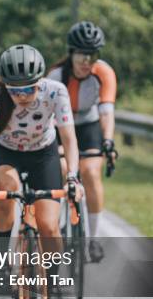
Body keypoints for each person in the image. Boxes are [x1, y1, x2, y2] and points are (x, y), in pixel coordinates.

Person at [0, 44, 84, 299]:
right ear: (5, 84)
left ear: (40, 81)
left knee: (49, 224)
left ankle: (54, 285)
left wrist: (72, 176)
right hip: (7, 152)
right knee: (7, 193)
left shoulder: (55, 91)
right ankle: (2, 264)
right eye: (15, 90)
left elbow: (69, 139)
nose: (22, 96)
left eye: (28, 89)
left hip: (43, 154)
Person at [47, 21, 117, 262]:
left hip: (88, 125)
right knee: (62, 169)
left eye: (92, 55)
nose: (86, 61)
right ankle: (53, 227)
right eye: (81, 55)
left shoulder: (104, 72)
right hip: (59, 126)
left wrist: (108, 141)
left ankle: (92, 240)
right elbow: (46, 116)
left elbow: (107, 111)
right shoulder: (56, 75)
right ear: (71, 53)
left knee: (91, 173)